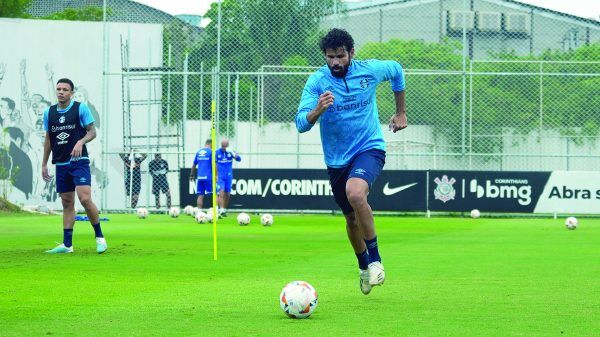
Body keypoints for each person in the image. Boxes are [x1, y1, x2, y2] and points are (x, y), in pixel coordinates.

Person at [295, 28, 407, 295]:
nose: (335, 62)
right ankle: (363, 267)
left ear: (351, 53)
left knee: (356, 193)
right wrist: (318, 110)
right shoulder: (317, 82)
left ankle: (376, 260)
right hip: (336, 160)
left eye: (341, 56)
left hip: (369, 147)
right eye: (330, 57)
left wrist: (401, 112)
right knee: (350, 220)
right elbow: (300, 123)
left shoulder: (369, 70)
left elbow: (397, 71)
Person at [42, 78, 107, 254]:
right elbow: (48, 139)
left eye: (65, 89)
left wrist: (81, 141)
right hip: (61, 163)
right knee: (67, 203)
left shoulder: (80, 108)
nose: (61, 92)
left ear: (71, 92)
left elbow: (92, 131)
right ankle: (67, 245)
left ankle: (100, 238)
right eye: (58, 89)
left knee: (85, 199)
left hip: (79, 162)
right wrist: (44, 164)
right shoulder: (49, 113)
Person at [216, 138, 241, 217]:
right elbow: (213, 164)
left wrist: (233, 153)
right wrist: (215, 175)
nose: (224, 148)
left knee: (227, 194)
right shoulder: (216, 152)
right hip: (220, 176)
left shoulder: (231, 152)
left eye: (225, 146)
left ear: (228, 146)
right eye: (223, 146)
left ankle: (224, 210)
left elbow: (239, 159)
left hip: (228, 176)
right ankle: (221, 209)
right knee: (221, 192)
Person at [190, 139, 214, 211]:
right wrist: (216, 175)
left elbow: (194, 164)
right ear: (211, 144)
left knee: (200, 195)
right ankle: (213, 212)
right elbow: (214, 164)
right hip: (208, 177)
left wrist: (191, 175)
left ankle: (199, 212)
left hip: (200, 177)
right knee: (212, 195)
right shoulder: (211, 152)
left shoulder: (199, 152)